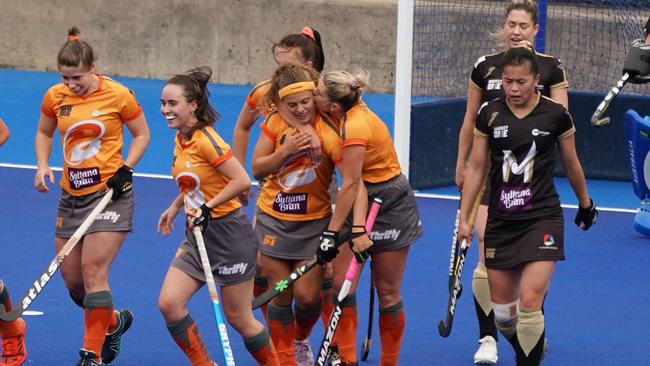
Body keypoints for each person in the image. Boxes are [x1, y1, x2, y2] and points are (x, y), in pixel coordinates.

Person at [457, 46, 597, 366]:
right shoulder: (489, 114)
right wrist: (466, 218)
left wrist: (585, 203)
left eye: (522, 81)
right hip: (501, 220)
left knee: (531, 303)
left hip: (542, 217)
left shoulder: (556, 115)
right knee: (506, 317)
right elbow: (477, 167)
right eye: (508, 81)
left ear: (537, 79)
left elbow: (572, 163)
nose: (515, 88)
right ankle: (530, 342)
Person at [454, 1, 570, 363]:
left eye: (523, 25)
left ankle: (531, 322)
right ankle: (488, 337)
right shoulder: (483, 66)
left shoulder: (550, 68)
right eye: (511, 24)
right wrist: (461, 166)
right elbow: (469, 119)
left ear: (535, 29)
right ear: (503, 27)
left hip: (529, 181)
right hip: (489, 177)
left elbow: (561, 119)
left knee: (533, 260)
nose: (516, 30)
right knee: (486, 257)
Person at [34, 27, 149, 366]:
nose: (71, 84)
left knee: (92, 270)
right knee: (74, 283)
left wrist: (126, 167)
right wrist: (42, 165)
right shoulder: (55, 96)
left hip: (109, 196)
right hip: (71, 198)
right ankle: (113, 324)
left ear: (93, 68)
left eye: (77, 78)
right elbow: (43, 131)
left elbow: (142, 135)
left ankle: (91, 355)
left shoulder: (117, 95)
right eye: (65, 77)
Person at [157, 66, 279, 366]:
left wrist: (207, 208)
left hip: (229, 236)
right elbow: (195, 181)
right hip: (197, 235)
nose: (165, 110)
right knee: (169, 304)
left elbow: (241, 181)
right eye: (163, 104)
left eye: (172, 104)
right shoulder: (181, 138)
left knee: (239, 317)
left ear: (193, 105)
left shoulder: (208, 141)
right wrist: (176, 206)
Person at [313, 70, 423, 366]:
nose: (313, 95)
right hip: (359, 198)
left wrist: (330, 234)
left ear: (334, 106)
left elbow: (351, 184)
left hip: (390, 202)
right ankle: (344, 360)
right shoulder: (345, 109)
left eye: (318, 93)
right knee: (340, 286)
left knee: (387, 292)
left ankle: (389, 362)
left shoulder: (355, 126)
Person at [232, 26, 336, 331]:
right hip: (276, 187)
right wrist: (240, 177)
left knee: (323, 273)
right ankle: (275, 336)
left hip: (320, 187)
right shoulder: (266, 92)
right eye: (278, 66)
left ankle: (330, 342)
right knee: (262, 265)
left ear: (310, 68)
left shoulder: (322, 95)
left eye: (287, 66)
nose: (279, 73)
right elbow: (241, 129)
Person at [250, 63, 342, 366]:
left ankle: (301, 339)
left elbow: (350, 177)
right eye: (293, 104)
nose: (301, 109)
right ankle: (286, 358)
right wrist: (284, 152)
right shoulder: (274, 122)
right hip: (274, 220)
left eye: (306, 101)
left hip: (314, 224)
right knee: (281, 297)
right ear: (280, 103)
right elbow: (258, 168)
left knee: (307, 299)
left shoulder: (329, 125)